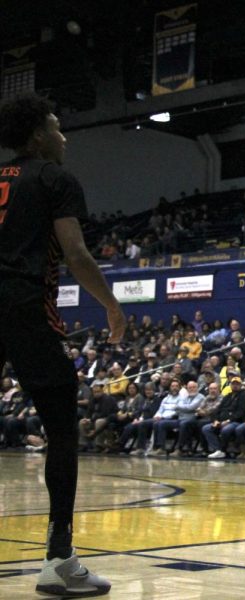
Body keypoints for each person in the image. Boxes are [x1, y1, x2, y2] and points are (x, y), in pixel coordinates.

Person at [0, 93, 124, 596]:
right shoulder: (54, 178)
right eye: (56, 125)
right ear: (36, 136)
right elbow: (75, 253)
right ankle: (59, 559)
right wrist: (112, 305)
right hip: (24, 304)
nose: (64, 135)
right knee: (62, 428)